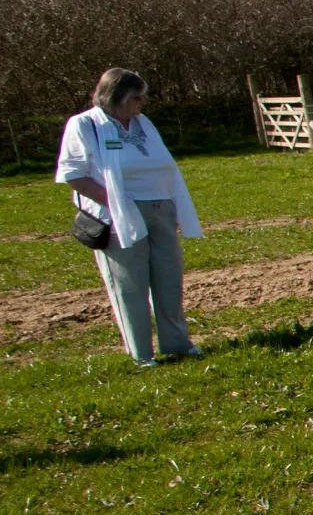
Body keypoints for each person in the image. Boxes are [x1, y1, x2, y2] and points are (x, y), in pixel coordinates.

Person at [55, 68, 204, 366]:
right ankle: (141, 353)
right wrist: (117, 204)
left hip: (160, 209)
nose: (143, 102)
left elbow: (163, 165)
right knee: (130, 285)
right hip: (116, 215)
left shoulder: (143, 122)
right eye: (137, 97)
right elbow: (74, 176)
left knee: (168, 278)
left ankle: (177, 344)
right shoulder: (84, 125)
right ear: (115, 97)